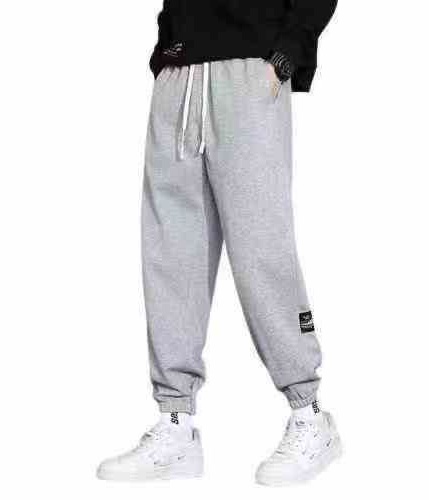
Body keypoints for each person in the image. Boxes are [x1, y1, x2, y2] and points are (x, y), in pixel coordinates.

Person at [97, 0, 339, 486]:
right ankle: (175, 422)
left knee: (261, 247)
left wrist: (287, 54)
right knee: (171, 250)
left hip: (251, 69)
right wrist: (165, 54)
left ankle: (310, 415)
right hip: (179, 71)